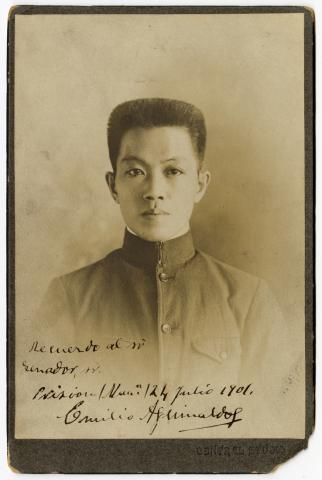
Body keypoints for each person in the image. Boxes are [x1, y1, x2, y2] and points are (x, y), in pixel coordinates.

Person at [37, 98, 301, 434]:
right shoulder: (70, 297)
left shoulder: (248, 300)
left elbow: (274, 432)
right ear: (113, 185)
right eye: (135, 171)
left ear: (200, 184)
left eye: (173, 171)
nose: (154, 191)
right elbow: (44, 425)